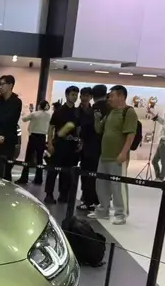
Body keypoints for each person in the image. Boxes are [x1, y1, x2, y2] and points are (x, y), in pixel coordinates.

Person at [90, 85, 138, 225]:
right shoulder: (110, 113)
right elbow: (99, 129)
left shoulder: (129, 112)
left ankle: (120, 213)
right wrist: (97, 119)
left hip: (118, 157)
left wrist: (123, 153)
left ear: (121, 96)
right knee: (101, 185)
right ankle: (103, 210)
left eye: (111, 96)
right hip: (104, 156)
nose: (109, 99)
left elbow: (131, 134)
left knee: (118, 186)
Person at [44, 85, 80, 204]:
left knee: (67, 172)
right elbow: (51, 127)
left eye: (76, 95)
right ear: (67, 95)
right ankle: (49, 194)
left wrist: (79, 141)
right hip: (58, 145)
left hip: (71, 146)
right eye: (72, 94)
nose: (74, 97)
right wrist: (50, 143)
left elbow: (78, 128)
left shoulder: (77, 112)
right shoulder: (59, 111)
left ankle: (63, 194)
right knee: (53, 170)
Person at [78, 85, 106, 210]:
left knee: (88, 175)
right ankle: (100, 201)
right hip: (105, 148)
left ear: (92, 96)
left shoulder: (90, 111)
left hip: (90, 148)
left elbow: (83, 131)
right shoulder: (111, 110)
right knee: (101, 176)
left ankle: (88, 200)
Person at [0, 75, 22, 182]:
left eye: (2, 84)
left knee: (6, 171)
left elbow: (9, 120)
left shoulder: (16, 102)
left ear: (10, 85)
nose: (0, 87)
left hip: (8, 141)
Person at [17, 100, 51, 184]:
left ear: (39, 106)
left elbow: (24, 119)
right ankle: (39, 179)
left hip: (33, 137)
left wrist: (28, 112)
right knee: (40, 159)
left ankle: (24, 178)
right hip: (42, 137)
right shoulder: (48, 115)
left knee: (28, 158)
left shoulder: (34, 114)